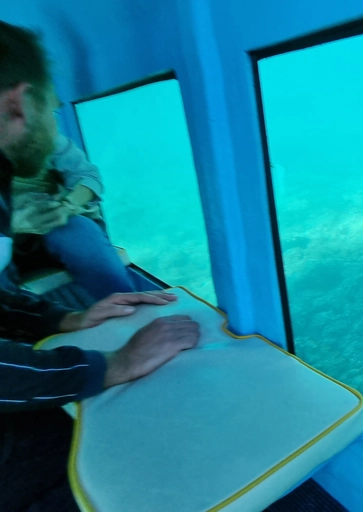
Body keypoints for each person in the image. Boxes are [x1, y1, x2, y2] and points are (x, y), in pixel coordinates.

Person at [0, 20, 201, 511]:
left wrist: (63, 318)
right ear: (19, 105)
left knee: (81, 238)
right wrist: (114, 364)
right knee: (126, 461)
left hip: (50, 230)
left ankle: (122, 310)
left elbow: (87, 177)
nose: (55, 123)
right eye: (52, 109)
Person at [11, 132, 135, 302]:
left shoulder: (38, 131)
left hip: (56, 220)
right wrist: (11, 224)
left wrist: (68, 205)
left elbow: (87, 175)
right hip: (7, 235)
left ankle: (128, 308)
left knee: (82, 237)